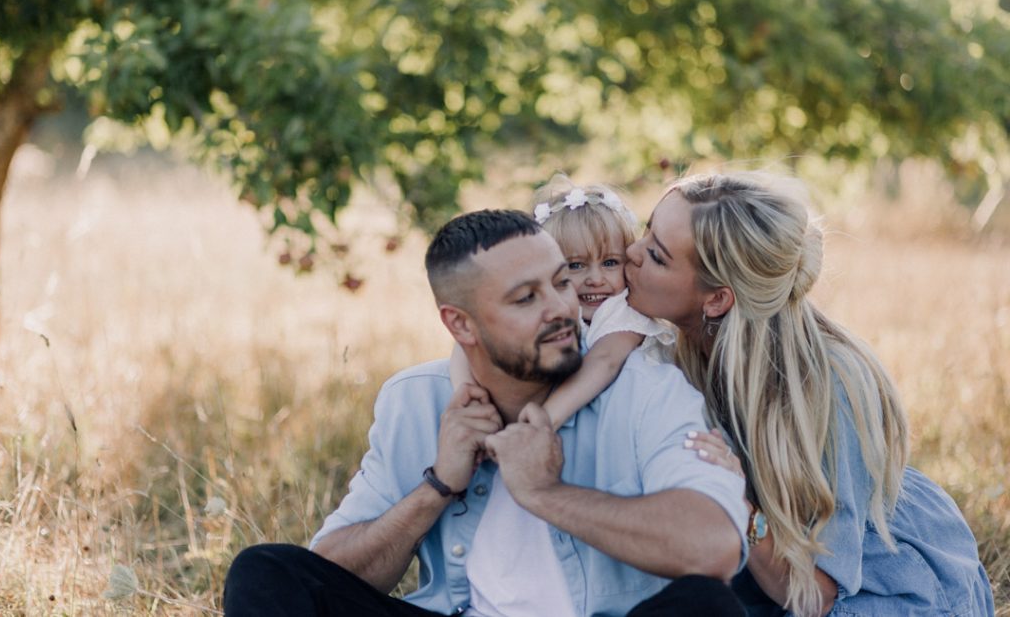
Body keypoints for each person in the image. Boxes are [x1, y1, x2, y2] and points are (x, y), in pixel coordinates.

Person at [222, 209, 749, 616]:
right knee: (266, 573)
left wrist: (546, 493)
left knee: (707, 607)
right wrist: (437, 486)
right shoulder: (417, 399)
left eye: (561, 282)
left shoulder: (646, 390)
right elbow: (332, 575)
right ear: (461, 325)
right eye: (525, 299)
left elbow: (713, 549)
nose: (561, 309)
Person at [618, 172, 995, 617]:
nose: (631, 253)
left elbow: (815, 597)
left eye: (657, 256)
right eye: (647, 230)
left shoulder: (829, 388)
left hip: (869, 592)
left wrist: (738, 503)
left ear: (717, 300)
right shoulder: (671, 346)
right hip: (766, 573)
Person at [449, 177, 674, 429]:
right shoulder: (547, 306)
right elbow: (473, 340)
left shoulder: (623, 311)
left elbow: (605, 360)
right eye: (575, 266)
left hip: (633, 422)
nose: (596, 280)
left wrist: (542, 421)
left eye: (610, 262)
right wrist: (466, 392)